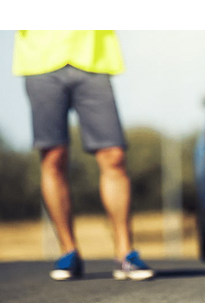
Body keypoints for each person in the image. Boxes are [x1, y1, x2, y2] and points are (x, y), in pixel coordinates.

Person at [12, 30, 154, 281]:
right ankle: (69, 252)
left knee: (114, 155)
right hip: (40, 60)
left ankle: (125, 253)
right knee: (53, 155)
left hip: (94, 58)